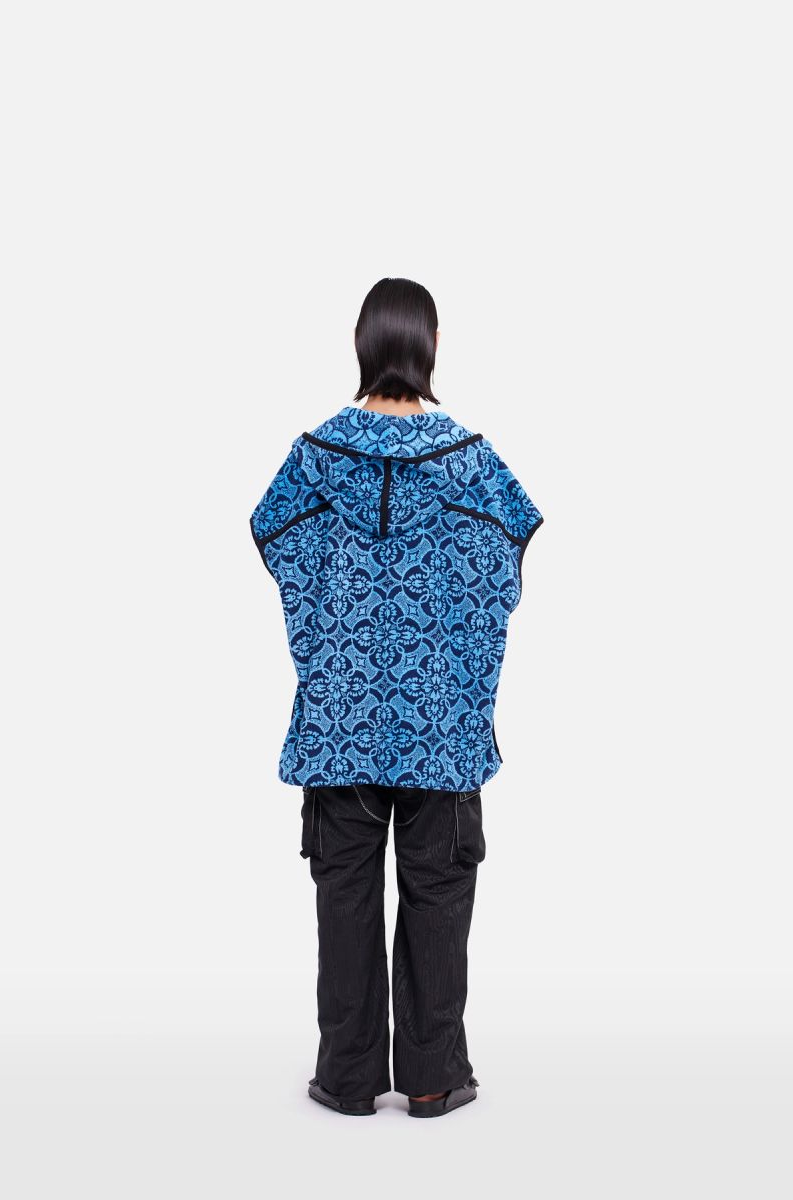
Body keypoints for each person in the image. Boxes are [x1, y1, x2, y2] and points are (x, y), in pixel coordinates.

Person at [249, 277, 543, 1118]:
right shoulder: (471, 462)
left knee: (343, 897)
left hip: (340, 720)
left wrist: (332, 631)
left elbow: (271, 535)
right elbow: (513, 551)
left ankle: (346, 1078)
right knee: (439, 897)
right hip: (441, 725)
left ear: (363, 344)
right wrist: (457, 652)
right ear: (431, 347)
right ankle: (433, 1076)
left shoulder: (314, 457)